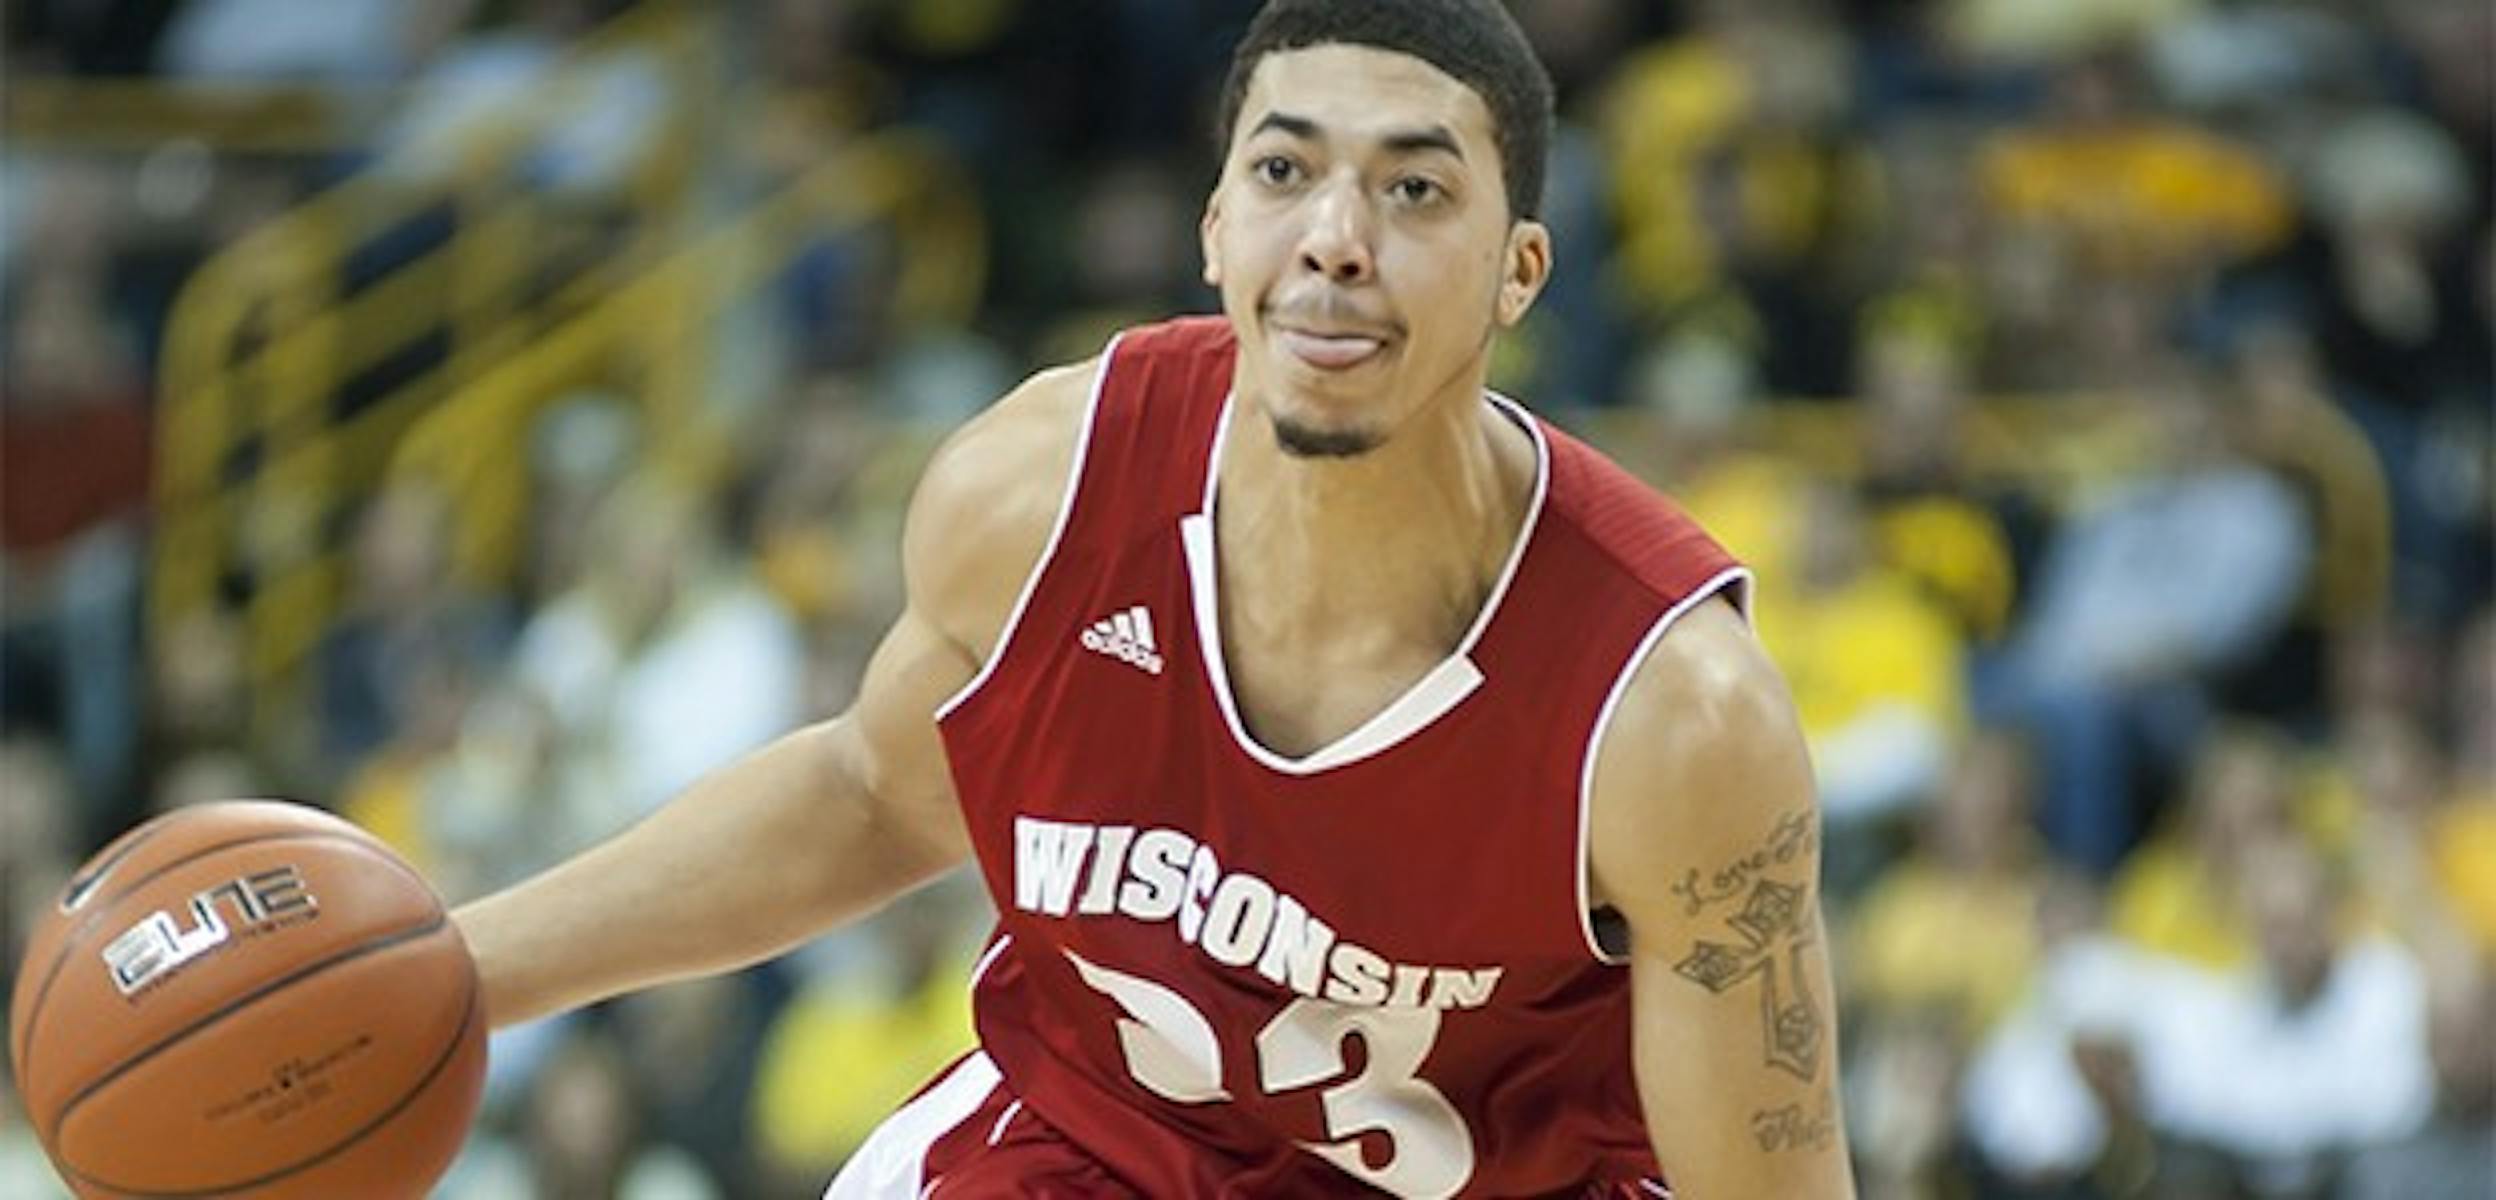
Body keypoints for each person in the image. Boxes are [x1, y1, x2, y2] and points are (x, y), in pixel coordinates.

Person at [452, 3, 1856, 1196]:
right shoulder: (1039, 492)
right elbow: (876, 796)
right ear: (1216, 229)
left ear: (1520, 272)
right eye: (1285, 172)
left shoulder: (1671, 714)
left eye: (1416, 191)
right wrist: (456, 980)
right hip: (1091, 1151)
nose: (1336, 237)